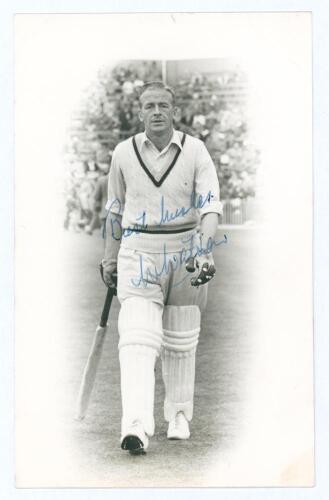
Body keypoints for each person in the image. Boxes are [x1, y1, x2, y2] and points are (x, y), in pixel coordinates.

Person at [102, 81, 222, 455]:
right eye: (149, 105)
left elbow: (210, 208)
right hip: (138, 249)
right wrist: (109, 256)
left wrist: (204, 252)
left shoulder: (195, 149)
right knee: (137, 336)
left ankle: (179, 415)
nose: (156, 111)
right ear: (139, 113)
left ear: (174, 112)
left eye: (163, 106)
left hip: (186, 249)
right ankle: (135, 424)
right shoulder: (123, 152)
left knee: (181, 340)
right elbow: (115, 210)